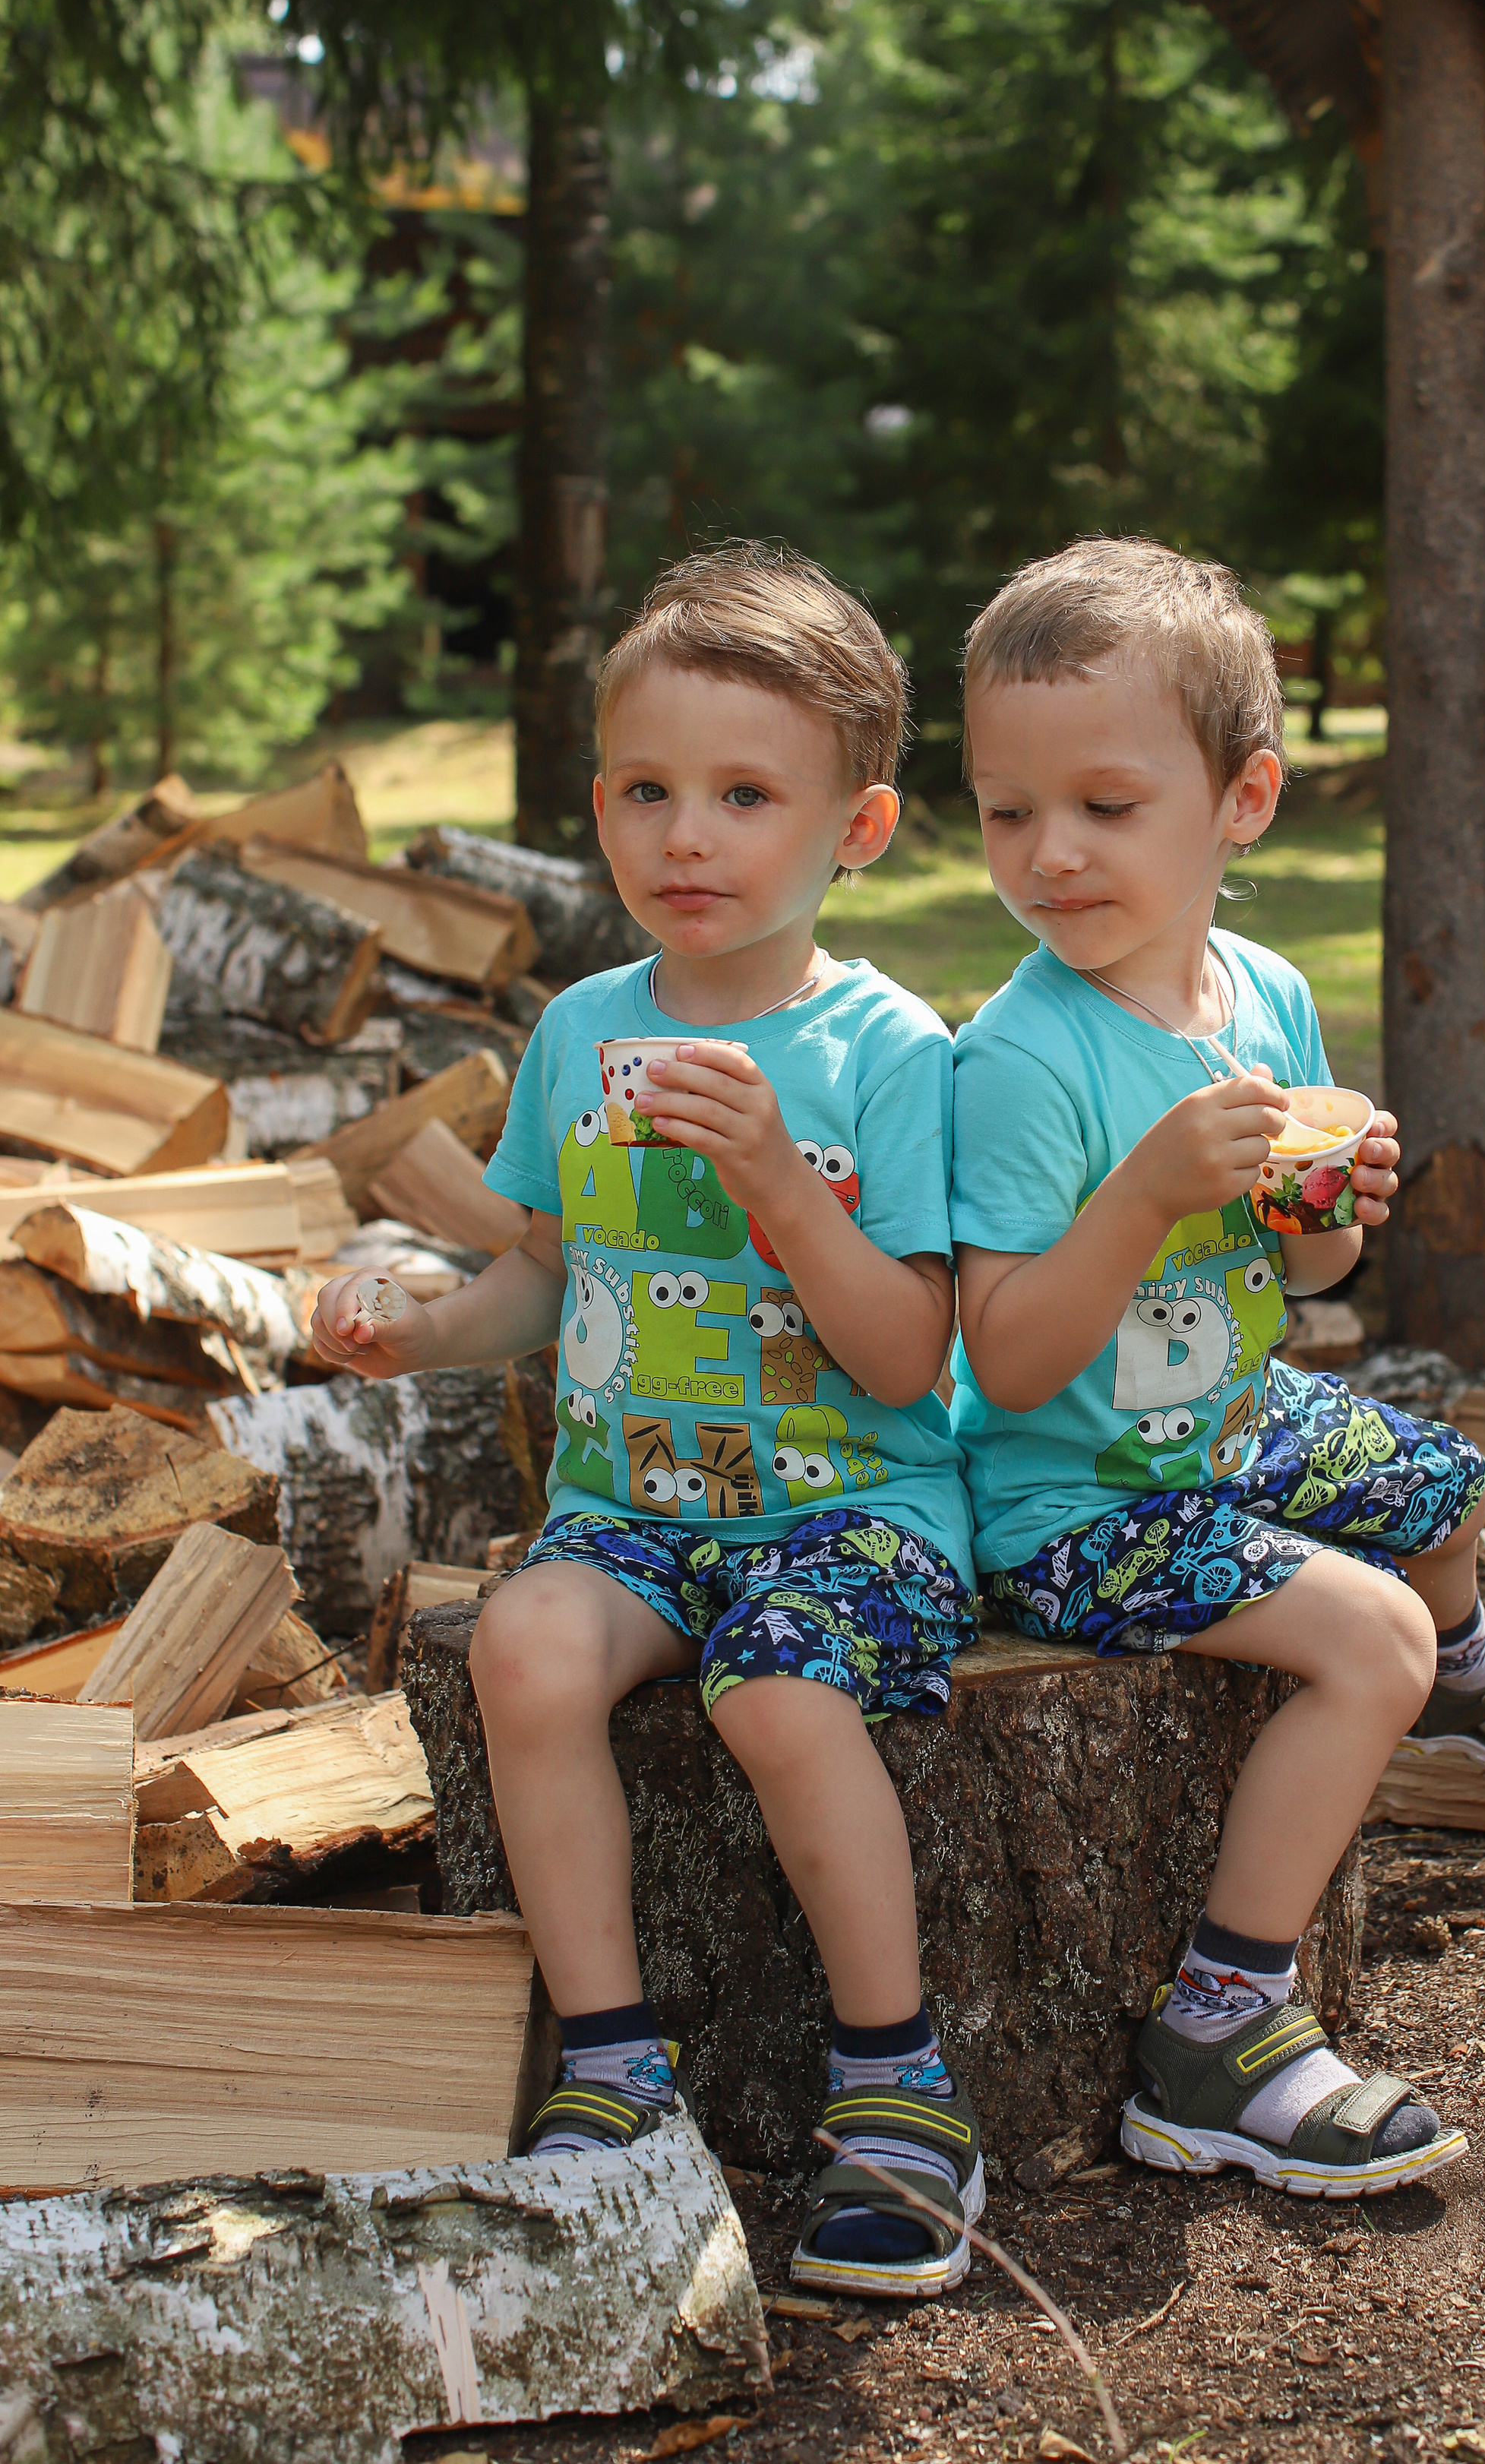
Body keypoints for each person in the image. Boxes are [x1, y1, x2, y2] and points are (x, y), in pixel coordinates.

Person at [312, 542, 984, 2301]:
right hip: (636, 1515)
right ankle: (611, 2067)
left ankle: (897, 2086)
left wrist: (777, 1178)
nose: (685, 836)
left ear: (856, 829)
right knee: (520, 1647)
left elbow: (911, 1356)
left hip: (856, 1513)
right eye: (645, 789)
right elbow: (546, 1274)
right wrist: (426, 1335)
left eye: (744, 794)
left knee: (775, 1687)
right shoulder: (580, 1033)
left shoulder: (886, 1052)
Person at [948, 538, 1485, 2198]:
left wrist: (1340, 1211)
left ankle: (1459, 1674)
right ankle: (1219, 2035)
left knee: (1441, 1484)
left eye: (1104, 804)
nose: (1049, 854)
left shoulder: (1265, 994)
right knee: (1362, 1634)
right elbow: (1007, 1368)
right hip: (1070, 1498)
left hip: (1220, 1422)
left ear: (1240, 802)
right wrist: (1146, 1188)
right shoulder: (1017, 1059)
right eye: (1006, 810)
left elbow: (1306, 1272)